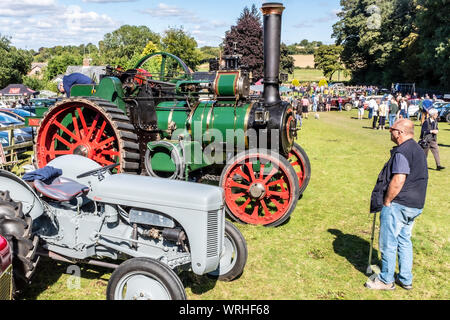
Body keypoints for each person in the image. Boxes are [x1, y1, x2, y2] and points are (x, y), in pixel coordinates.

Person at [366, 119, 429, 290]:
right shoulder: (417, 148)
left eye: (392, 129)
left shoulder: (403, 151)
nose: (390, 132)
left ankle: (386, 280)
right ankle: (405, 279)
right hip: (415, 205)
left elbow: (399, 178)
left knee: (388, 241)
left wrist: (387, 200)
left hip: (400, 204)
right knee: (404, 240)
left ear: (400, 132)